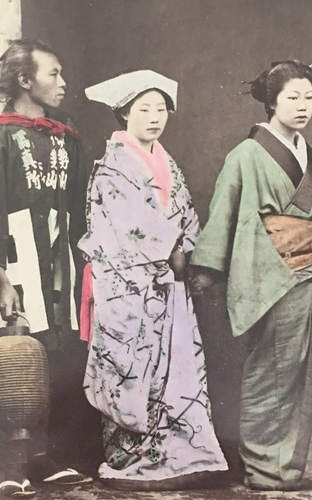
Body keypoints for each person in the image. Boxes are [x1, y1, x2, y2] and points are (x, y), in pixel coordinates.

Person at [189, 60, 312, 491]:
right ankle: (264, 466)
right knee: (267, 374)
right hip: (267, 276)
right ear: (271, 102)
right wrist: (207, 270)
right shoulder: (246, 155)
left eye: (309, 97)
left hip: (310, 277)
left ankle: (295, 464)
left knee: (302, 374)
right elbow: (224, 215)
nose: (303, 105)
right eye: (293, 97)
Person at [0, 38, 93, 497]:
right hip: (11, 259)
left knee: (57, 354)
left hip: (59, 260)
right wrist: (0, 278)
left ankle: (44, 460)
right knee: (15, 358)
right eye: (53, 74)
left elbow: (80, 209)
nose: (64, 83)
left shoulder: (65, 137)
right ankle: (11, 465)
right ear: (25, 81)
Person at [78, 70, 228, 490]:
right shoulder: (112, 167)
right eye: (144, 108)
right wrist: (171, 252)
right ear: (124, 112)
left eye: (161, 108)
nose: (154, 117)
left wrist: (184, 250)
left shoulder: (168, 163)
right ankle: (130, 456)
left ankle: (178, 452)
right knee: (132, 365)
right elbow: (127, 227)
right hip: (128, 285)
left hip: (168, 282)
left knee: (174, 364)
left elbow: (186, 213)